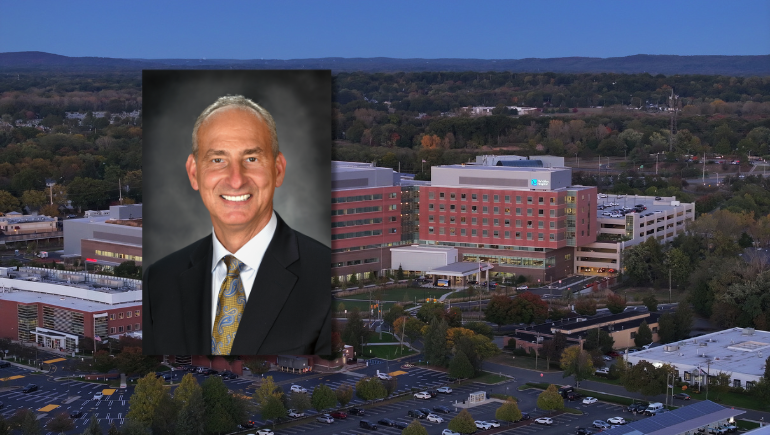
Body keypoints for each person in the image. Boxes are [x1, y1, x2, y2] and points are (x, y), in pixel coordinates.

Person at [143, 95, 331, 356]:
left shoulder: (326, 278)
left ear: (278, 170)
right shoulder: (160, 280)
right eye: (218, 159)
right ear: (194, 172)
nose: (235, 179)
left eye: (252, 159)